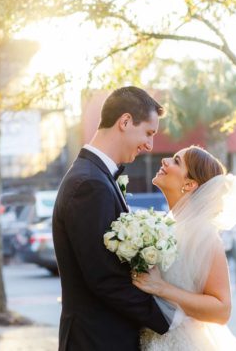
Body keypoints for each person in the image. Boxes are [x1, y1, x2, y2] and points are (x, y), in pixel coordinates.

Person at [52, 86, 176, 351]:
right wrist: (168, 319)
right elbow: (104, 278)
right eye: (148, 133)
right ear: (125, 121)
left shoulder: (95, 176)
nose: (150, 145)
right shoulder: (89, 184)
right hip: (97, 340)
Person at [132, 145, 236, 351]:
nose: (164, 161)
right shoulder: (162, 227)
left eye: (176, 161)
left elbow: (222, 310)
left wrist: (162, 288)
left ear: (190, 184)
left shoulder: (205, 236)